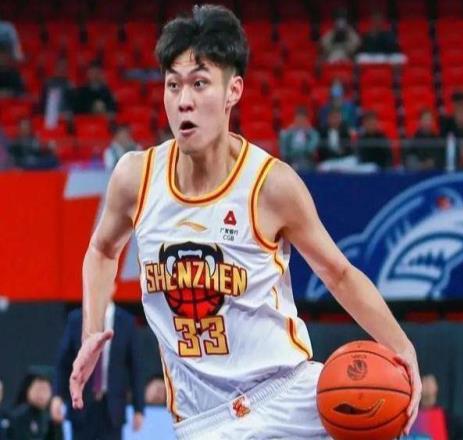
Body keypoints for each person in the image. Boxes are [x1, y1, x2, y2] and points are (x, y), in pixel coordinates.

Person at [68, 5, 421, 440]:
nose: (183, 100)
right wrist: (92, 329)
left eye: (199, 83)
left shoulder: (271, 185)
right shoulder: (135, 178)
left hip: (286, 396)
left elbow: (339, 273)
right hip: (206, 422)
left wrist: (402, 347)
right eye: (173, 84)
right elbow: (102, 250)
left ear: (233, 90)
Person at [51, 301, 144, 440]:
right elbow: (63, 363)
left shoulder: (126, 321)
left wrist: (139, 409)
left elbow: (135, 368)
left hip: (113, 408)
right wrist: (57, 396)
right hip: (82, 406)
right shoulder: (76, 319)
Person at [8, 372, 62, 440]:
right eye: (38, 389)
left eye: (45, 390)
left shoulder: (51, 418)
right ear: (28, 390)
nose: (41, 394)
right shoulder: (18, 417)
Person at [279, 106, 320, 171]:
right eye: (298, 120)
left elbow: (311, 149)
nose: (300, 122)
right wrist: (289, 132)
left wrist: (308, 132)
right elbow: (283, 148)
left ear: (306, 120)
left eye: (302, 120)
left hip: (306, 159)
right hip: (291, 159)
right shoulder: (289, 132)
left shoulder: (312, 133)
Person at [39, 58, 75, 123]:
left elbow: (73, 105)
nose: (61, 69)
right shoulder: (48, 84)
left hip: (66, 117)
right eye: (60, 67)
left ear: (67, 70)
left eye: (64, 67)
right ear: (55, 68)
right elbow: (43, 104)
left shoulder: (70, 85)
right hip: (50, 116)